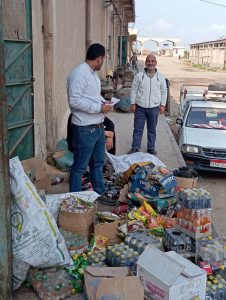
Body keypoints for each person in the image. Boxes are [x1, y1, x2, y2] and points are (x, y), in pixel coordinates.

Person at [67, 43, 112, 194]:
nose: (103, 62)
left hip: (98, 127)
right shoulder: (79, 73)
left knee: (98, 163)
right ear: (99, 58)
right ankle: (76, 199)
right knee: (79, 167)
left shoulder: (92, 74)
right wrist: (99, 108)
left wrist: (103, 103)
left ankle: (99, 193)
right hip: (85, 128)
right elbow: (74, 100)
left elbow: (92, 96)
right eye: (103, 59)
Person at [127, 54, 167, 155]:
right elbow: (134, 90)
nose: (150, 63)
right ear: (145, 63)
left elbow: (164, 91)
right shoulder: (139, 76)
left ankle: (151, 148)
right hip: (140, 107)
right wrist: (133, 103)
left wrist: (163, 105)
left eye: (152, 61)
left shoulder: (160, 77)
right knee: (138, 129)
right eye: (148, 61)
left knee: (152, 129)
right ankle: (135, 147)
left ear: (156, 63)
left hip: (154, 108)